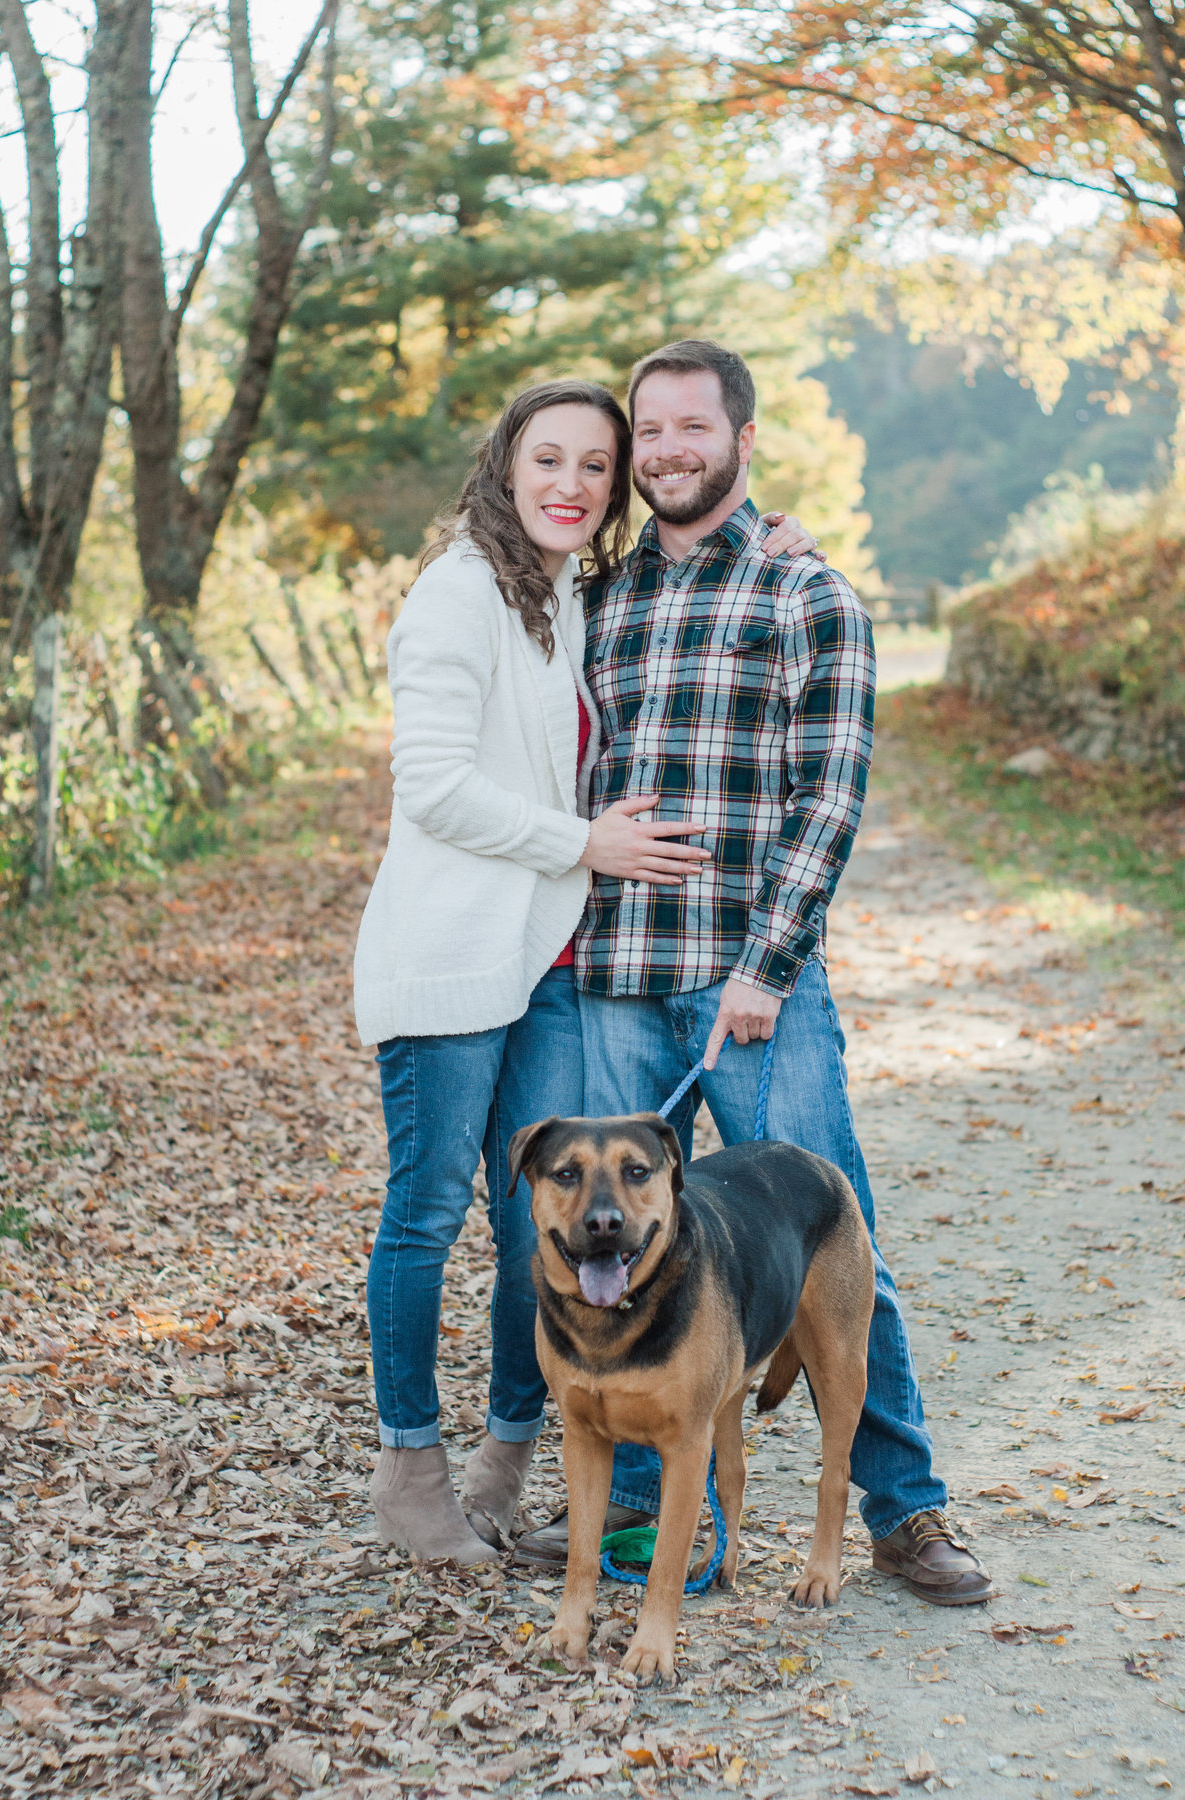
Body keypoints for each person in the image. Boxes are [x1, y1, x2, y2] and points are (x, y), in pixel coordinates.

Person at [511, 341, 994, 1607]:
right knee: (624, 1248)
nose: (665, 450)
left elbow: (826, 803)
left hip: (751, 994)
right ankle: (641, 1522)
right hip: (617, 976)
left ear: (740, 435)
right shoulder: (599, 600)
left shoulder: (806, 594)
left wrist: (769, 966)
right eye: (648, 431)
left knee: (840, 1255)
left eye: (690, 428)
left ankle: (906, 1510)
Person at [352, 375, 819, 1562]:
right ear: (506, 464)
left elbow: (705, 564)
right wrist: (587, 843)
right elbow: (433, 787)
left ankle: (510, 1459)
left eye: (594, 467)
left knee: (542, 1223)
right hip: (452, 964)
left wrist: (773, 529)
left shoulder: (567, 594)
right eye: (548, 459)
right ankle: (411, 1479)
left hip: (544, 963)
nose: (572, 484)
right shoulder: (457, 595)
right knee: (425, 1215)